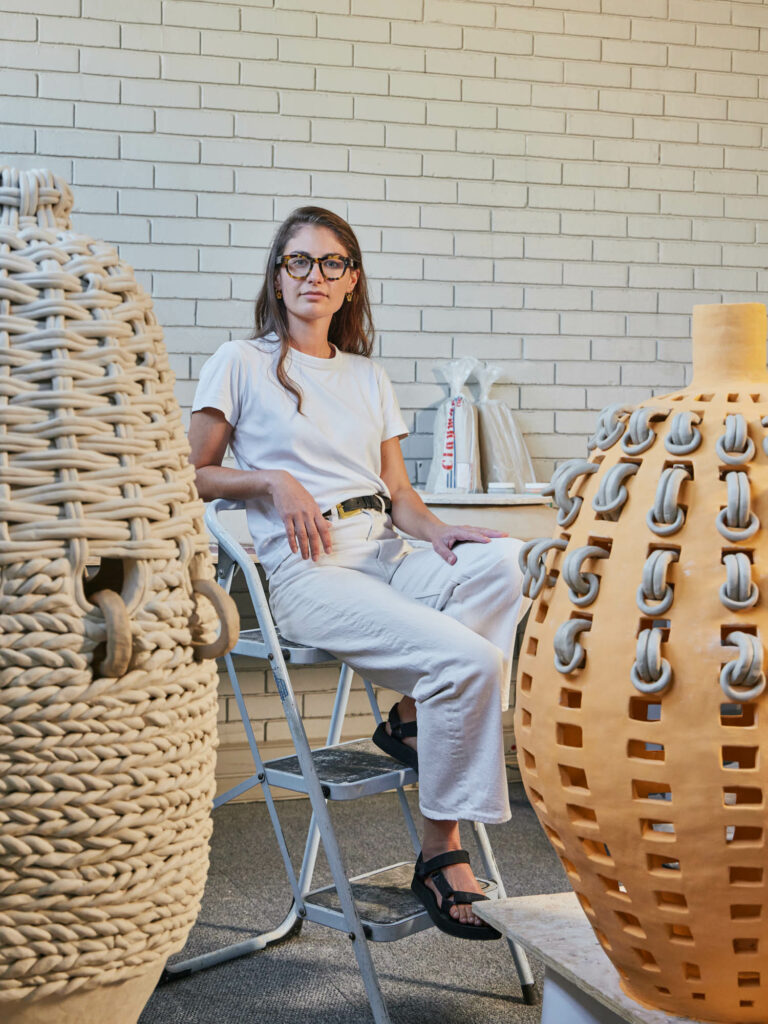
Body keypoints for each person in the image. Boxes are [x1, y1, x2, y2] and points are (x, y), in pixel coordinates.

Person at [189, 206, 527, 941]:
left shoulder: (369, 376)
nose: (315, 276)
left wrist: (441, 532)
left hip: (386, 551)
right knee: (467, 661)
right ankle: (443, 848)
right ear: (278, 279)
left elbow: (399, 493)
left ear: (352, 282)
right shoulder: (240, 362)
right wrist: (270, 482)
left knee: (506, 561)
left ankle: (412, 714)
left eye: (331, 263)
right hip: (311, 570)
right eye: (299, 262)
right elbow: (194, 474)